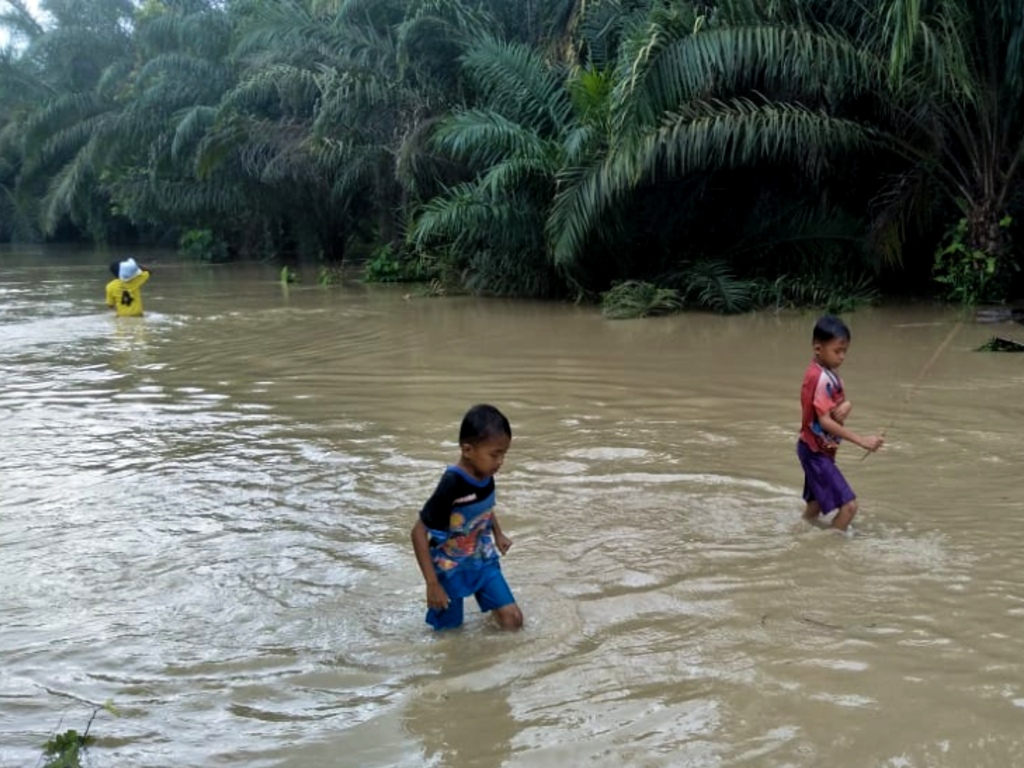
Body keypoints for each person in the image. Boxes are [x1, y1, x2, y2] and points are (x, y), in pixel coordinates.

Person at [411, 404, 523, 631]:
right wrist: (432, 584)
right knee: (450, 635)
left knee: (513, 619)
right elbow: (418, 532)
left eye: (504, 454)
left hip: (482, 558)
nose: (500, 461)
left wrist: (498, 533)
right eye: (495, 454)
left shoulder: (487, 473)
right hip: (449, 566)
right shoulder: (452, 483)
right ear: (468, 450)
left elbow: (485, 507)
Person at [797, 315, 884, 532]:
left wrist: (847, 405)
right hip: (815, 451)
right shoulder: (822, 378)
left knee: (815, 506)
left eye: (845, 351)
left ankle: (798, 537)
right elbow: (825, 421)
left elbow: (830, 411)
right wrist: (862, 441)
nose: (842, 356)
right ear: (818, 348)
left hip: (812, 448)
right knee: (849, 507)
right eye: (837, 351)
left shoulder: (824, 373)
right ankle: (828, 549)